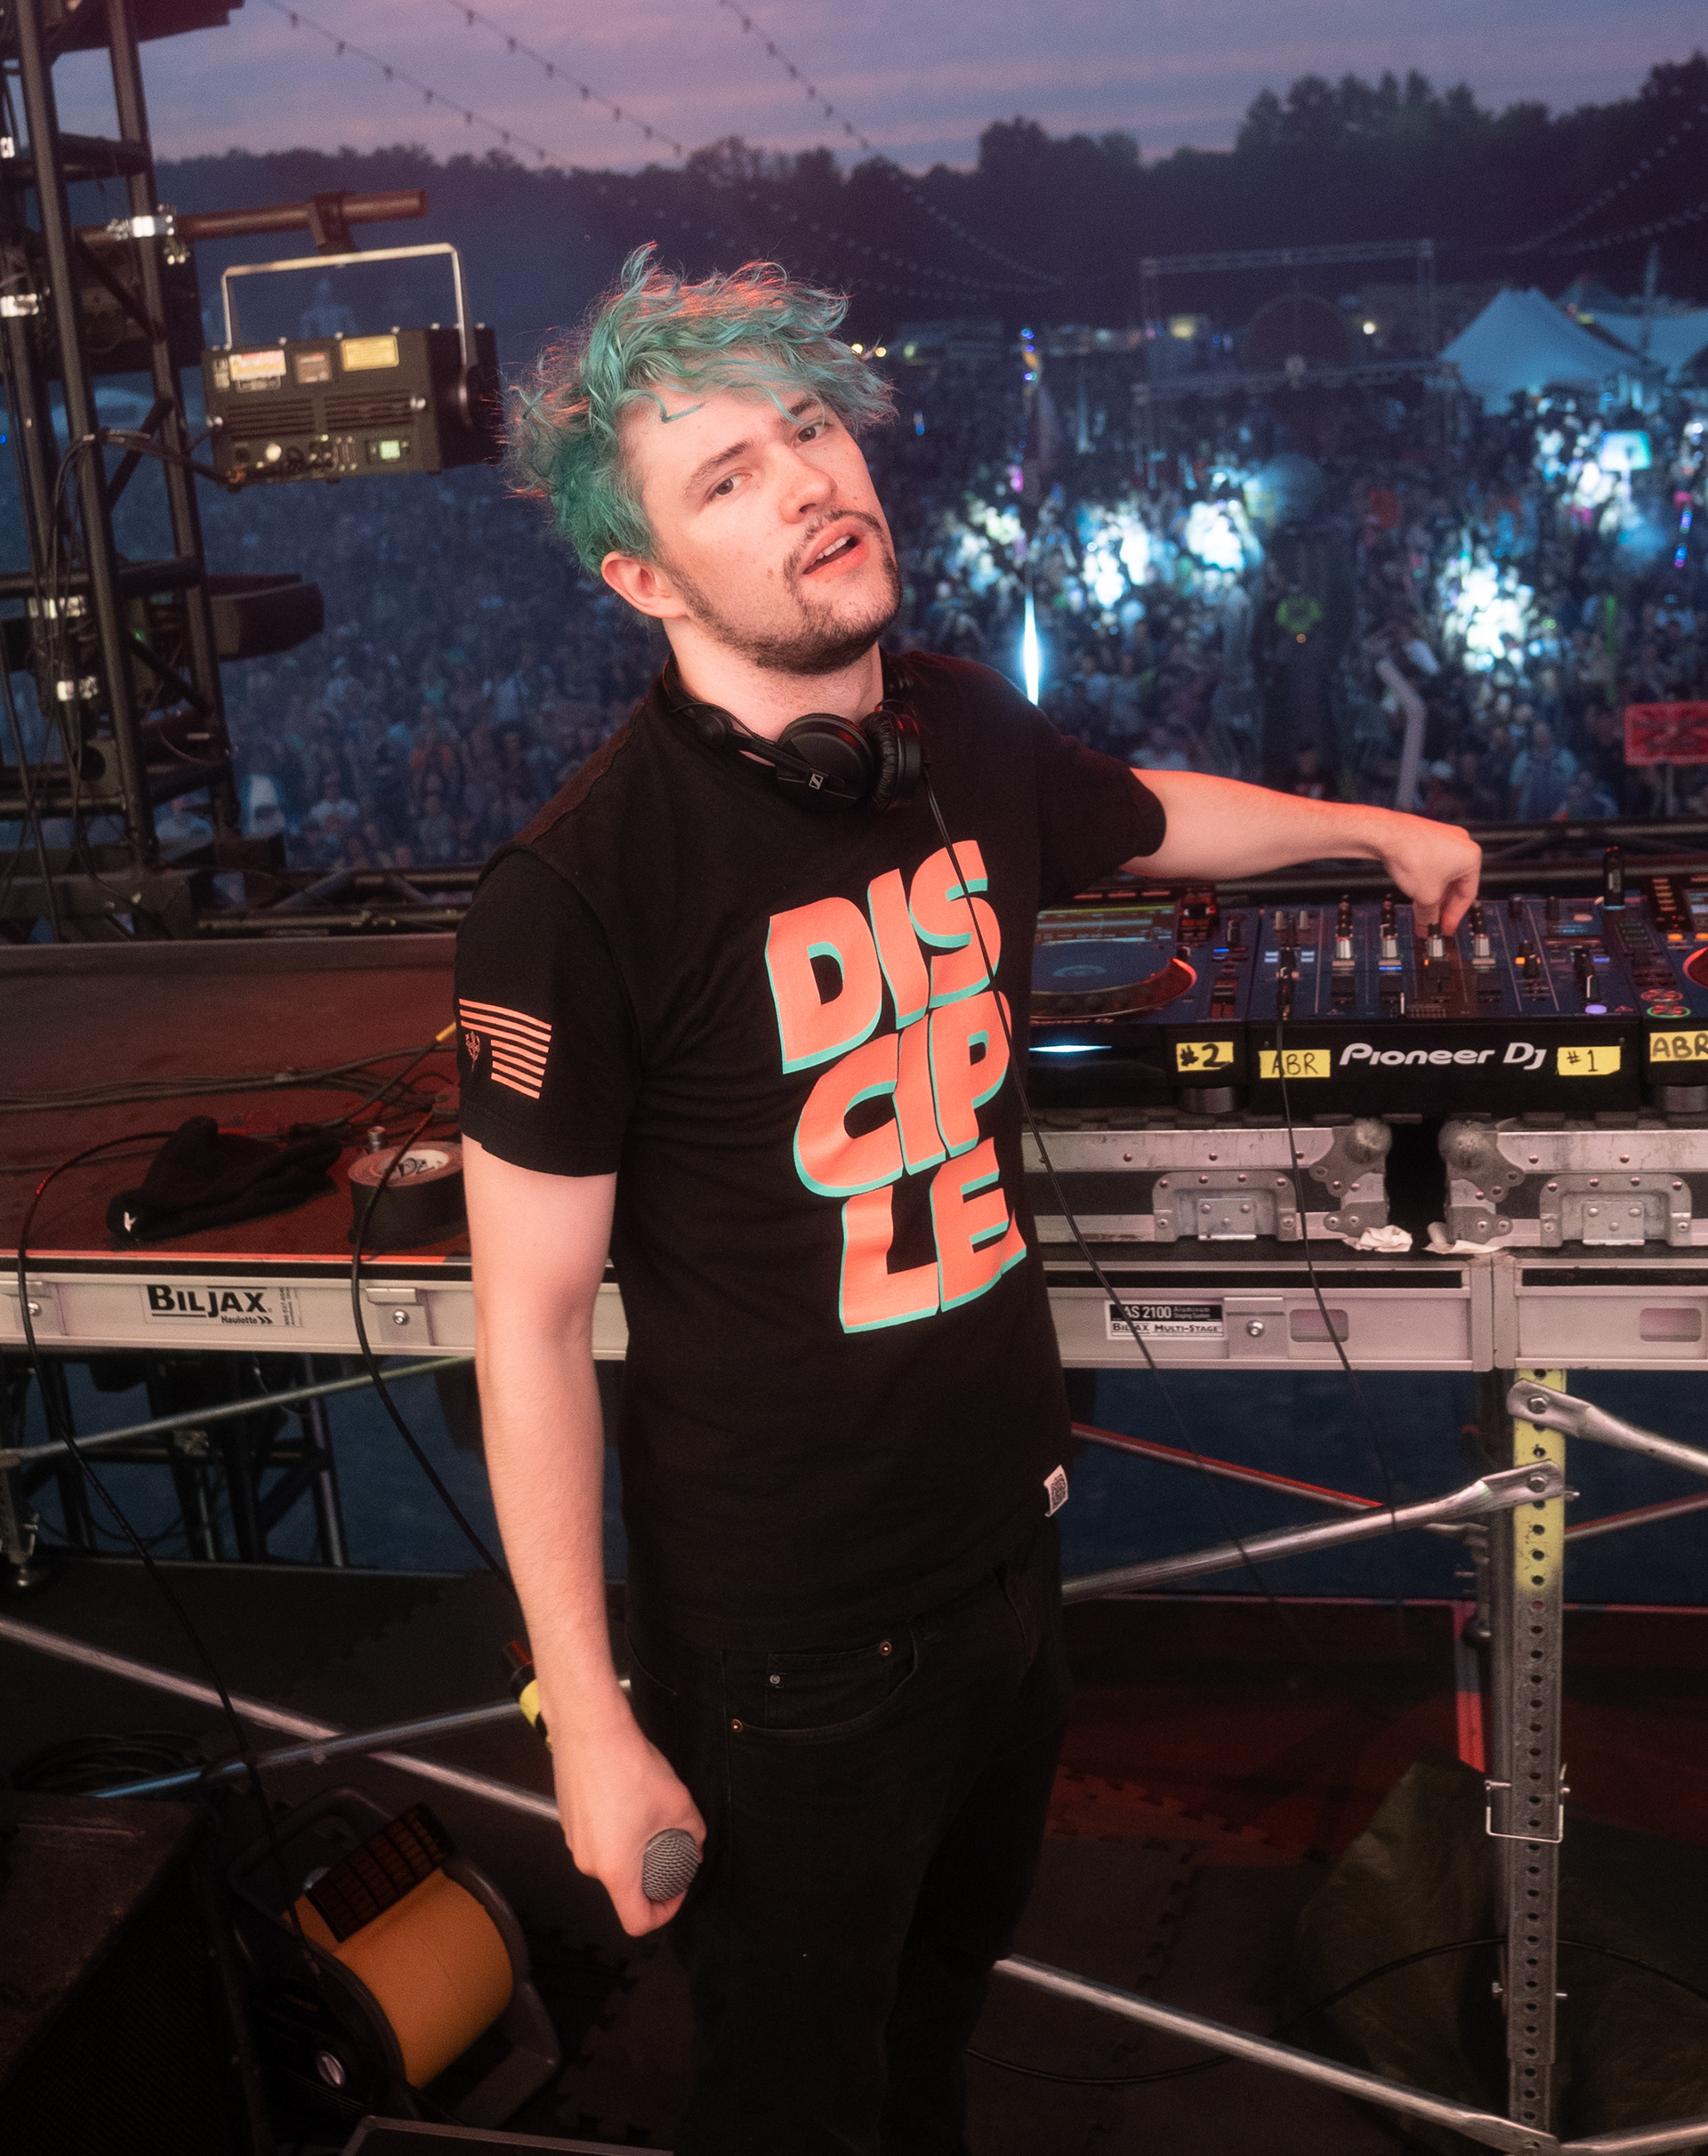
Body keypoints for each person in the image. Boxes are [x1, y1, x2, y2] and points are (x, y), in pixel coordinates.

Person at [453, 250, 1480, 2156]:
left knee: (930, 2045)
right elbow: (525, 1325)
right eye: (728, 478)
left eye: (810, 429)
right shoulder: (578, 893)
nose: (808, 482)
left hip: (1011, 1556)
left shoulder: (950, 729)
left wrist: (1375, 828)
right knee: (793, 2103)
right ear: (642, 579)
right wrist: (587, 1723)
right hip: (792, 1643)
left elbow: (1145, 813)